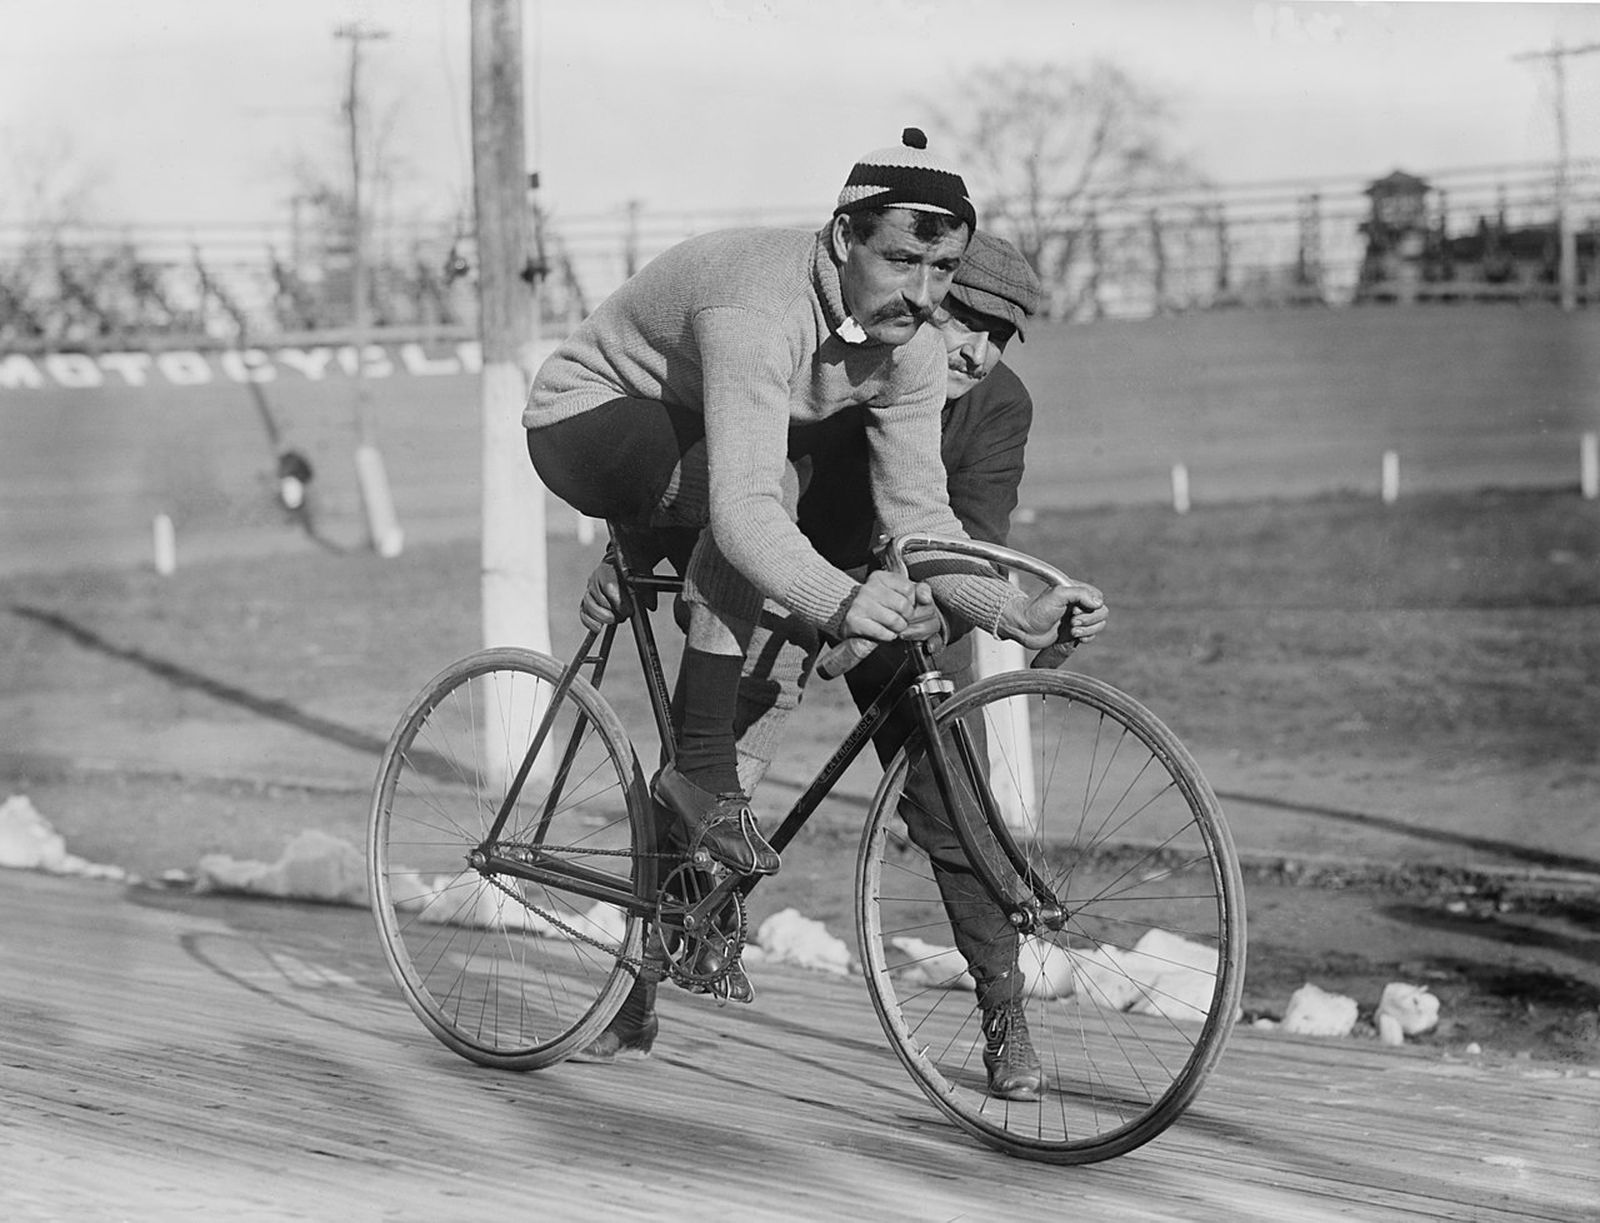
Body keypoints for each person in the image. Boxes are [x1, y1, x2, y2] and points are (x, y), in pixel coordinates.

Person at [574, 232, 1109, 1102]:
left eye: (999, 337)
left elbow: (968, 536)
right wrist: (624, 557)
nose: (976, 350)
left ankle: (1005, 1014)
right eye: (965, 320)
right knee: (708, 782)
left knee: (950, 793)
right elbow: (726, 478)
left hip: (897, 602)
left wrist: (998, 611)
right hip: (779, 583)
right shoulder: (843, 359)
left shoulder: (997, 406)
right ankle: (637, 990)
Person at [526, 129, 1094, 891]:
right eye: (900, 260)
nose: (924, 296)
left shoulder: (913, 344)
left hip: (687, 427)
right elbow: (745, 514)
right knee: (764, 495)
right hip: (588, 417)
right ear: (841, 240)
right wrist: (847, 600)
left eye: (942, 270)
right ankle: (700, 772)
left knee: (763, 492)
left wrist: (1011, 612)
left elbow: (920, 517)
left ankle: (672, 908)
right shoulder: (761, 304)